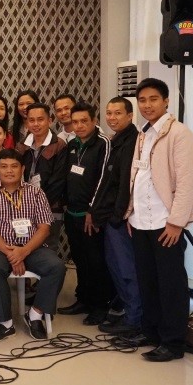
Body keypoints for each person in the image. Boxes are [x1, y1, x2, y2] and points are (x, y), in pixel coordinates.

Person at [126, 78, 193, 362]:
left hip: (165, 222)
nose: (147, 105)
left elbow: (186, 183)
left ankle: (172, 342)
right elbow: (139, 176)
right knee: (147, 281)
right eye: (142, 100)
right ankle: (152, 333)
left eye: (153, 99)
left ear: (166, 101)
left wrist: (176, 222)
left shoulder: (180, 134)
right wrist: (130, 213)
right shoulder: (143, 133)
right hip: (141, 220)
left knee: (170, 283)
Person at [0, 149, 66, 342]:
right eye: (4, 166)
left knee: (57, 267)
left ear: (23, 168)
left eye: (14, 166)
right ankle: (5, 323)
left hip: (32, 247)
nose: (9, 171)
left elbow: (44, 228)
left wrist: (24, 251)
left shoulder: (35, 192)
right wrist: (12, 254)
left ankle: (35, 314)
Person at [91, 97, 142, 338]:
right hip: (110, 218)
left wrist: (118, 217)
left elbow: (125, 186)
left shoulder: (133, 142)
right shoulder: (116, 141)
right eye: (109, 113)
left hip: (119, 220)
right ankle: (127, 313)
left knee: (126, 270)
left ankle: (134, 320)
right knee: (115, 267)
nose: (112, 118)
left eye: (117, 113)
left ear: (130, 115)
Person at [61, 102, 114, 325]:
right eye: (75, 122)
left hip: (90, 215)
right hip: (71, 212)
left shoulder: (103, 144)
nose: (79, 126)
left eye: (84, 121)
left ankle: (100, 305)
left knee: (96, 261)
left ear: (94, 121)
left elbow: (104, 180)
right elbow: (67, 176)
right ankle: (83, 298)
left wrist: (93, 210)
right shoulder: (72, 144)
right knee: (80, 258)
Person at [15, 103, 67, 250]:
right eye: (31, 120)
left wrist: (38, 206)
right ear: (26, 122)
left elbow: (59, 181)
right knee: (23, 248)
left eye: (40, 119)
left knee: (46, 251)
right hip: (23, 209)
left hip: (50, 208)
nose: (36, 124)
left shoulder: (59, 145)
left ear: (49, 120)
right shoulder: (22, 146)